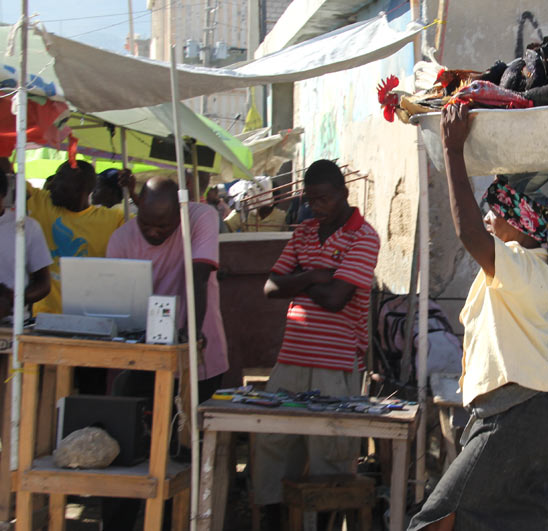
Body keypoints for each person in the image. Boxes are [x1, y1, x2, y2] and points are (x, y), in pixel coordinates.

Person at [408, 104, 548, 531]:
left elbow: (467, 233)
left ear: (520, 222)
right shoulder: (522, 270)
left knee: (435, 520)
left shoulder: (523, 266)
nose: (486, 219)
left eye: (494, 213)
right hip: (517, 414)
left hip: (516, 415)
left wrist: (452, 149)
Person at [253, 159, 379, 524]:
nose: (315, 206)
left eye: (322, 198)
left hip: (336, 364)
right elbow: (270, 287)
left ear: (343, 193)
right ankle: (276, 519)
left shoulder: (363, 236)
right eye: (310, 200)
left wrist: (301, 280)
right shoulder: (305, 231)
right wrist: (314, 275)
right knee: (273, 442)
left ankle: (321, 523)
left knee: (330, 453)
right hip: (291, 357)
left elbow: (337, 299)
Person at [106, 176, 228, 397]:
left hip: (200, 353)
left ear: (180, 214)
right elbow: (117, 303)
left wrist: (193, 335)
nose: (153, 232)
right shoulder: (120, 239)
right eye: (145, 224)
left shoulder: (202, 217)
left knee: (191, 426)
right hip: (145, 357)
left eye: (163, 226)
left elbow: (198, 278)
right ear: (139, 207)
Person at [25, 160, 126, 316]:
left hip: (89, 318)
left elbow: (148, 226)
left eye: (59, 177)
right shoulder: (41, 200)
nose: (52, 184)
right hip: (44, 317)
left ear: (80, 186)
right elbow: (10, 178)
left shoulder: (113, 219)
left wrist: (133, 193)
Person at [0, 167, 52, 320]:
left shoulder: (26, 226)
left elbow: (43, 283)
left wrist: (11, 300)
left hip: (13, 323)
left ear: (3, 195)